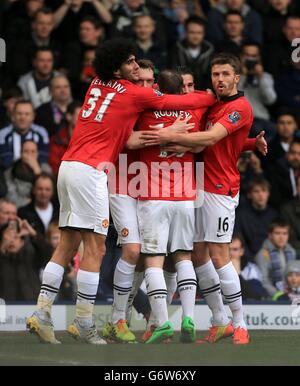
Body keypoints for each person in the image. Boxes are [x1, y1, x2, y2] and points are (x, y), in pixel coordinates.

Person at [26, 37, 215, 345]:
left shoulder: (95, 84)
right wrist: (210, 98)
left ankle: (42, 312)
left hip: (67, 166)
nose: (134, 65)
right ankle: (84, 322)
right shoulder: (131, 93)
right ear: (117, 69)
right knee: (97, 249)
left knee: (67, 245)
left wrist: (162, 132)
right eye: (129, 62)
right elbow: (175, 102)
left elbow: (123, 133)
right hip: (91, 173)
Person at [141, 53, 254, 344]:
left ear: (236, 78)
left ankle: (240, 324)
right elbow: (229, 141)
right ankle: (219, 320)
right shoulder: (211, 104)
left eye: (225, 74)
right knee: (197, 254)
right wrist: (252, 143)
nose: (220, 79)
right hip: (195, 187)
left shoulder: (239, 107)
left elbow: (209, 139)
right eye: (216, 75)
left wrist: (165, 138)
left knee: (219, 255)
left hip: (220, 188)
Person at [0, 100, 49, 169]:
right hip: (11, 173)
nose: (23, 118)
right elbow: (5, 162)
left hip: (35, 170)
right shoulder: (3, 134)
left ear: (33, 116)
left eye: (27, 114)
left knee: (46, 168)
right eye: (19, 114)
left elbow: (43, 159)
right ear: (13, 116)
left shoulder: (41, 133)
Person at [5, 140, 52, 208]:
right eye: (26, 151)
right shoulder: (10, 171)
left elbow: (51, 193)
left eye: (33, 152)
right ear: (21, 154)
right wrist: (31, 204)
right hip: (20, 209)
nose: (30, 155)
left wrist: (38, 171)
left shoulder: (46, 169)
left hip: (43, 207)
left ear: (37, 154)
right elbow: (11, 195)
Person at [255, 220, 296, 298]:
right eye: (277, 233)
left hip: (292, 295)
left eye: (285, 233)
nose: (281, 237)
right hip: (272, 298)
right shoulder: (263, 254)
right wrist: (278, 295)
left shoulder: (291, 252)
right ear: (270, 235)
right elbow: (263, 280)